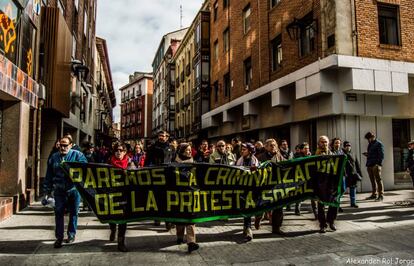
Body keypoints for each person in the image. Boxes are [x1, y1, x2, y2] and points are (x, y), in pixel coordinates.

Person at [44, 136, 87, 248]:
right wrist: (47, 190)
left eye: (65, 145)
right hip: (59, 190)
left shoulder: (78, 155)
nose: (62, 147)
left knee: (74, 212)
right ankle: (59, 237)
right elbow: (49, 174)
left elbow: (86, 169)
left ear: (71, 145)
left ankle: (71, 234)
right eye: (61, 145)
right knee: (58, 212)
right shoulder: (54, 157)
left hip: (74, 189)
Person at [144, 130, 174, 228]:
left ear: (167, 137)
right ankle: (157, 217)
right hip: (155, 176)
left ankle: (168, 220)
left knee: (167, 198)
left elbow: (173, 161)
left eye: (164, 136)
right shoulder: (152, 147)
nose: (162, 137)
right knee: (157, 198)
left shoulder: (171, 148)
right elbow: (147, 161)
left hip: (168, 176)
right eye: (160, 135)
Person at [175, 143, 199, 253]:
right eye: (187, 150)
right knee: (180, 217)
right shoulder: (175, 163)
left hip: (191, 194)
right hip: (178, 194)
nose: (189, 152)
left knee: (191, 218)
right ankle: (179, 236)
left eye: (190, 150)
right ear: (181, 151)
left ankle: (191, 242)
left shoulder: (194, 163)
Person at [108, 142, 131, 252]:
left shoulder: (130, 162)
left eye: (121, 150)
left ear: (125, 152)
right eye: (117, 150)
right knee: (111, 215)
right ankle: (112, 229)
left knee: (123, 218)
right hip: (112, 193)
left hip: (125, 193)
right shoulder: (109, 162)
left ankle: (121, 242)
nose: (118, 152)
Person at [236, 143, 259, 242]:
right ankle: (248, 230)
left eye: (244, 149)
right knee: (247, 209)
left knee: (252, 209)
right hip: (243, 189)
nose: (242, 151)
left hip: (253, 189)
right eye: (241, 149)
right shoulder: (239, 160)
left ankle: (248, 227)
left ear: (250, 151)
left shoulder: (255, 161)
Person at [315, 135, 338, 233]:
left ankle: (331, 221)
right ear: (318, 143)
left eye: (325, 142)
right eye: (322, 142)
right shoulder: (314, 156)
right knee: (321, 204)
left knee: (334, 202)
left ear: (328, 143)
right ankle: (322, 224)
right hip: (320, 183)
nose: (324, 143)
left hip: (331, 182)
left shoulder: (333, 154)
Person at [363, 132, 385, 201]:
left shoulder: (379, 144)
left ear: (372, 137)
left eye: (369, 139)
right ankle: (374, 194)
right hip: (369, 164)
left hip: (375, 165)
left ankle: (381, 195)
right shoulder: (370, 144)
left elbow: (381, 155)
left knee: (378, 180)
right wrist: (367, 154)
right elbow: (372, 153)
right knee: (372, 181)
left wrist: (378, 164)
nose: (368, 140)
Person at [343, 141, 362, 208]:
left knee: (353, 189)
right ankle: (338, 205)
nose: (348, 147)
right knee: (342, 190)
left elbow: (357, 164)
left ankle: (353, 203)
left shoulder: (353, 154)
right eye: (346, 146)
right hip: (345, 174)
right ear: (344, 147)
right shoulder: (342, 154)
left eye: (349, 146)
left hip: (353, 174)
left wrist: (360, 173)